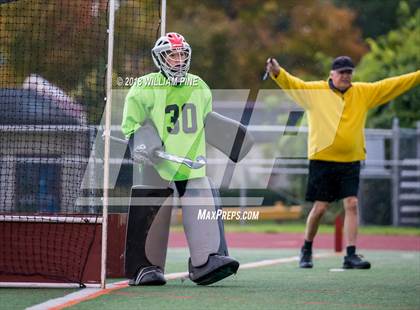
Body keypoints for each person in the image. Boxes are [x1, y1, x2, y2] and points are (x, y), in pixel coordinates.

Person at [265, 55, 420, 269]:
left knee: (352, 204)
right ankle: (306, 249)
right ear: (331, 74)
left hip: (350, 160)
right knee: (320, 209)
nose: (346, 76)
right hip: (322, 160)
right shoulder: (316, 92)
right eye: (342, 73)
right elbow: (293, 85)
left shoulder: (363, 92)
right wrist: (277, 72)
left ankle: (350, 255)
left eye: (349, 72)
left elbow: (392, 84)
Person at [121, 32, 240, 286]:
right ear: (160, 58)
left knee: (202, 203)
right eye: (172, 54)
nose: (178, 59)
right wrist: (141, 142)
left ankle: (206, 260)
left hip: (191, 161)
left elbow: (206, 121)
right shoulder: (144, 86)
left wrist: (232, 139)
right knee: (152, 208)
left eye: (182, 54)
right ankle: (145, 266)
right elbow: (132, 124)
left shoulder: (199, 85)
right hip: (157, 161)